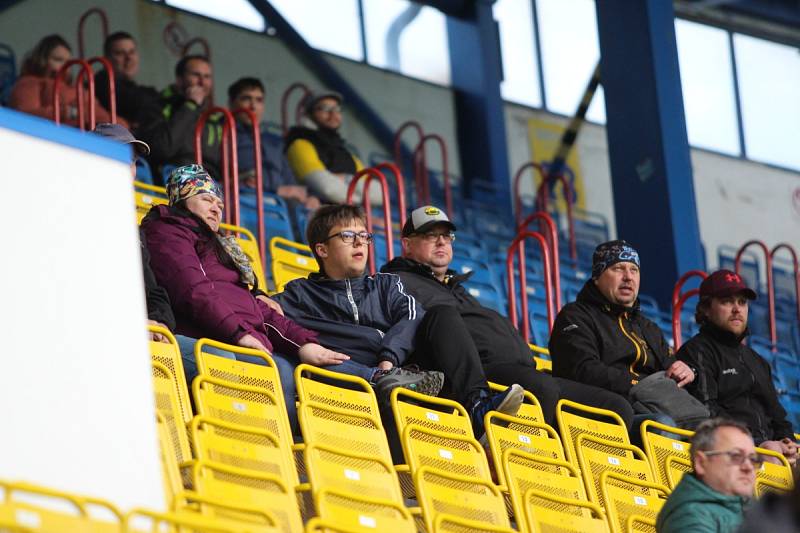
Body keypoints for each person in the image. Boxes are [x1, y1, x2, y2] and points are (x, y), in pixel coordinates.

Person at [272, 204, 525, 439]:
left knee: (443, 315)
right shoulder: (300, 294)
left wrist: (389, 358)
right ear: (322, 249)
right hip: (352, 380)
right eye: (348, 236)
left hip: (406, 375)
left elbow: (412, 315)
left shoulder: (385, 284)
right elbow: (258, 310)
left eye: (365, 236)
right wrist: (262, 296)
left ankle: (477, 405)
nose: (360, 242)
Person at [381, 205, 634, 427]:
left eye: (446, 236)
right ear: (407, 244)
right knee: (540, 389)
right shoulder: (395, 282)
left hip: (519, 368)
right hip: (477, 372)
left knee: (617, 408)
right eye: (430, 235)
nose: (441, 242)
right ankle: (525, 462)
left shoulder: (456, 288)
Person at [141, 164, 346, 427]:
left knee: (287, 366)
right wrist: (240, 334)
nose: (217, 208)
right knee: (255, 364)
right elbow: (193, 290)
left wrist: (302, 343)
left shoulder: (218, 248)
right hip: (208, 334)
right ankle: (237, 443)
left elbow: (255, 306)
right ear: (183, 200)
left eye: (219, 203)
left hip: (230, 333)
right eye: (206, 199)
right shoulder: (168, 231)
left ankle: (281, 450)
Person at [549, 240, 700, 430]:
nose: (628, 277)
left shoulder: (648, 327)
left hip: (656, 403)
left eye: (634, 270)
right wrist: (638, 383)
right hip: (609, 412)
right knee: (662, 425)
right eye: (618, 268)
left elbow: (671, 369)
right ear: (597, 276)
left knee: (712, 431)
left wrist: (687, 371)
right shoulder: (576, 315)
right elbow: (581, 370)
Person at [677, 269, 798, 464]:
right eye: (727, 301)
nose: (737, 309)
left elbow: (778, 415)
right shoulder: (696, 351)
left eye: (742, 302)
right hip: (729, 451)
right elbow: (708, 410)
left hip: (767, 447)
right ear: (706, 309)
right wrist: (756, 443)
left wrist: (788, 442)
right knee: (773, 455)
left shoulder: (757, 360)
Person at [92, 122, 173, 343]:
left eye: (134, 161)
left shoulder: (131, 226)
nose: (130, 167)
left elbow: (154, 290)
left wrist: (160, 322)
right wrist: (134, 321)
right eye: (120, 156)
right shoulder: (81, 213)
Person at [228, 77, 319, 210]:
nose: (253, 106)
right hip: (244, 201)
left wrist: (311, 196)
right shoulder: (223, 134)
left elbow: (290, 180)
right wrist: (277, 189)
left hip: (281, 204)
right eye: (246, 99)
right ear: (231, 103)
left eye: (259, 100)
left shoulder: (274, 141)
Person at [657, 418, 758, 533]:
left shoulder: (748, 507)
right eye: (736, 456)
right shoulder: (689, 517)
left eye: (753, 459)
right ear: (701, 463)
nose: (748, 467)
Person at [284, 91, 380, 205]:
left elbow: (379, 193)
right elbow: (327, 188)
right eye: (325, 108)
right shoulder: (299, 143)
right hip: (320, 212)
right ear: (309, 113)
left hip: (347, 211)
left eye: (337, 109)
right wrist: (358, 199)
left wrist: (345, 179)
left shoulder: (344, 151)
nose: (333, 114)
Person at [138, 55, 221, 184]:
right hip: (174, 175)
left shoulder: (215, 118)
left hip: (211, 182)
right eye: (196, 75)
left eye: (207, 77)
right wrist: (190, 106)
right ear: (179, 80)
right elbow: (163, 148)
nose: (202, 82)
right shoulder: (159, 105)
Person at [10, 34, 122, 128]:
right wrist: (68, 112)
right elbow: (23, 117)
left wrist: (122, 124)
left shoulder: (77, 88)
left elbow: (101, 114)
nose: (66, 66)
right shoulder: (28, 83)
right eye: (58, 60)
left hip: (93, 133)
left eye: (69, 61)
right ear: (42, 60)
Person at [94, 32, 160, 130]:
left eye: (132, 52)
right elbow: (132, 102)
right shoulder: (98, 85)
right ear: (107, 59)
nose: (129, 58)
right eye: (120, 53)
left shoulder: (138, 90)